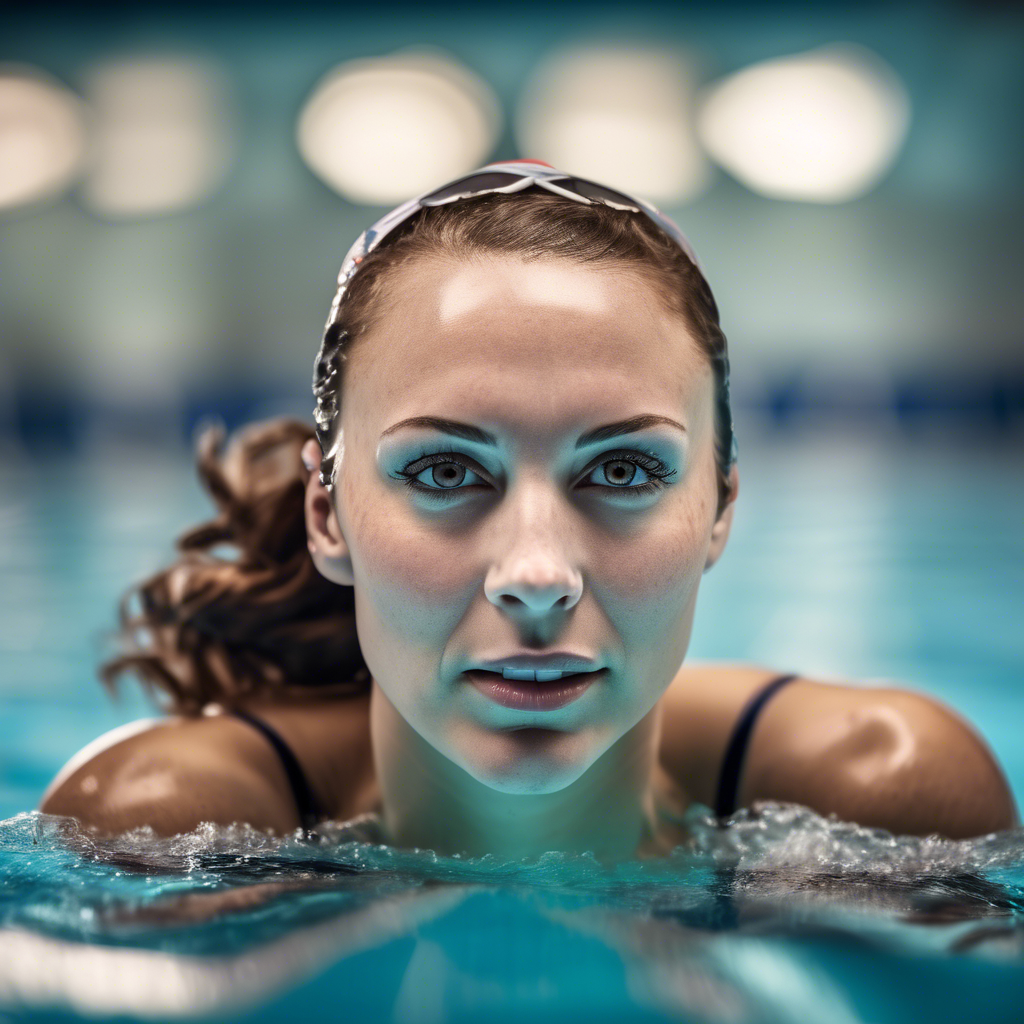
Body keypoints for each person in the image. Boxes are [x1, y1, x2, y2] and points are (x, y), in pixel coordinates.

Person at [39, 161, 1018, 861]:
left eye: (626, 470)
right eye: (445, 473)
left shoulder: (889, 795)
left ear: (720, 507)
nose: (537, 575)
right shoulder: (158, 829)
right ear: (327, 515)